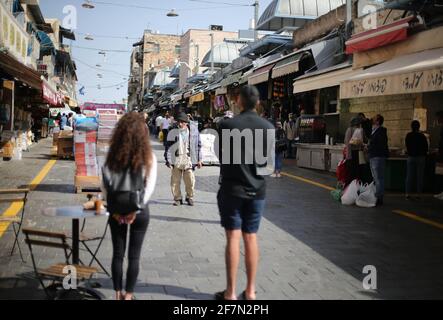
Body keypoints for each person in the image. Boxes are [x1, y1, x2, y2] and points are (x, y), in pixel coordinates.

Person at [216, 85, 274, 300]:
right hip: (257, 190)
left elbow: (224, 156)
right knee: (251, 237)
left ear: (238, 101)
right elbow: (265, 163)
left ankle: (230, 293)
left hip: (232, 189)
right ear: (258, 102)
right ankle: (250, 292)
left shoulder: (227, 125)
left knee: (233, 237)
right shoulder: (268, 127)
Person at [102, 112, 157, 300]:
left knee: (118, 254)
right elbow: (149, 188)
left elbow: (105, 186)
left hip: (116, 209)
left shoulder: (111, 156)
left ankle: (117, 294)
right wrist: (136, 210)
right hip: (140, 213)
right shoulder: (148, 156)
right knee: (134, 256)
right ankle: (128, 295)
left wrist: (114, 210)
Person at [166, 112, 202, 206]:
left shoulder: (194, 131)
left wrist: (199, 159)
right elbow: (168, 147)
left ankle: (189, 197)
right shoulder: (173, 131)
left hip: (188, 158)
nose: (180, 124)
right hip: (176, 158)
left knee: (190, 180)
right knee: (175, 181)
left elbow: (198, 145)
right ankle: (177, 198)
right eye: (178, 122)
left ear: (186, 122)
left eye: (182, 122)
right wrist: (168, 159)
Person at [368, 114, 389, 206]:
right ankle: (377, 195)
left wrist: (369, 146)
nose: (372, 119)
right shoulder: (374, 130)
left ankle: (379, 197)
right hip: (374, 156)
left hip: (378, 156)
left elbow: (378, 144)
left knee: (378, 178)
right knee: (376, 177)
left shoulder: (380, 131)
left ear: (378, 121)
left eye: (374, 118)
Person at [405, 120, 429, 200]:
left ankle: (408, 193)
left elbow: (407, 146)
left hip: (411, 157)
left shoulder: (408, 135)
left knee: (409, 176)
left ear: (411, 127)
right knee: (420, 176)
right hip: (421, 158)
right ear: (419, 127)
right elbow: (426, 147)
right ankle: (418, 194)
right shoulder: (422, 136)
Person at [344, 117, 364, 185]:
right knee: (354, 172)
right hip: (355, 153)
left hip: (353, 153)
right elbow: (348, 143)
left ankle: (352, 188)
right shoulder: (357, 130)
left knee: (353, 172)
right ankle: (352, 188)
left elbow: (347, 143)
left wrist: (348, 156)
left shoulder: (352, 130)